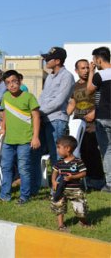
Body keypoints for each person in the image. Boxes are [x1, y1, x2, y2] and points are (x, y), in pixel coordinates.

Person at [33, 47, 74, 195]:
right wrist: (36, 111)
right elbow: (43, 98)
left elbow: (59, 101)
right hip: (44, 120)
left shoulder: (67, 76)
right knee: (36, 154)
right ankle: (35, 187)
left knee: (57, 157)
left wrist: (40, 112)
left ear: (57, 61)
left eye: (48, 59)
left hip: (56, 120)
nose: (45, 61)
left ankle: (58, 189)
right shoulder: (50, 77)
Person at [0, 70, 40, 205]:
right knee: (6, 167)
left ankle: (24, 196)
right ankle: (5, 195)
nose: (12, 85)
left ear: (20, 81)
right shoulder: (5, 97)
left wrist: (35, 137)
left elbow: (36, 117)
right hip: (9, 140)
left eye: (14, 81)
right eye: (8, 83)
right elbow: (4, 114)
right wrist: (3, 127)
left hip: (25, 140)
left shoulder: (29, 97)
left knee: (23, 169)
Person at [67, 59, 105, 189]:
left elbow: (103, 100)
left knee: (92, 151)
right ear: (76, 71)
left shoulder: (96, 82)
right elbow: (72, 103)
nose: (85, 71)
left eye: (87, 68)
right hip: (78, 123)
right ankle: (86, 178)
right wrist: (64, 116)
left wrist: (95, 111)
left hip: (94, 123)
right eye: (82, 68)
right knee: (81, 151)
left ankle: (98, 180)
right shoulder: (74, 86)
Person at [51, 135, 90, 232]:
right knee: (59, 206)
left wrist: (72, 177)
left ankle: (83, 222)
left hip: (75, 189)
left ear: (67, 148)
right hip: (61, 189)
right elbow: (55, 171)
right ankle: (61, 225)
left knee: (80, 207)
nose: (57, 150)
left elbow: (83, 173)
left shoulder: (78, 161)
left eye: (59, 147)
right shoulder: (59, 162)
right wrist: (53, 181)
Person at [87, 46, 111, 193]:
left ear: (98, 59)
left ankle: (109, 184)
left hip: (104, 117)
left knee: (107, 151)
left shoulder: (100, 75)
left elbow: (89, 90)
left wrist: (91, 72)